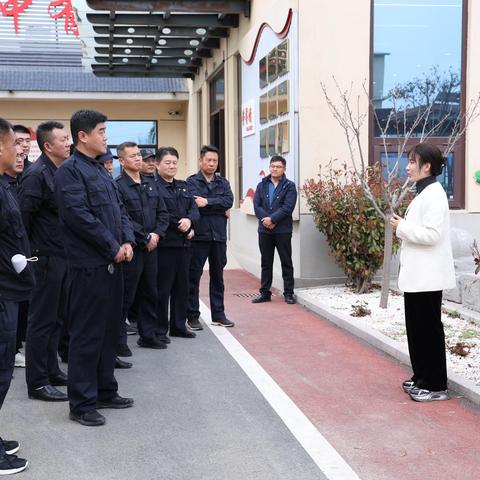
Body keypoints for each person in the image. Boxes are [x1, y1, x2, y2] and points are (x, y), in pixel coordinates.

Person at [55, 110, 135, 426]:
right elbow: (79, 217)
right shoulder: (70, 172)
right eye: (101, 131)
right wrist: (112, 246)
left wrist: (127, 241)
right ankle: (82, 403)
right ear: (83, 136)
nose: (106, 136)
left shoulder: (101, 171)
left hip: (113, 265)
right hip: (88, 267)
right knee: (86, 336)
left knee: (108, 333)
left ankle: (105, 390)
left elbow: (120, 212)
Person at [390, 143, 455, 402]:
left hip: (428, 277)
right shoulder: (424, 191)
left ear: (426, 166)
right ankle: (421, 377)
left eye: (411, 161)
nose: (407, 166)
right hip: (418, 275)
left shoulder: (434, 194)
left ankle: (436, 385)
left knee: (428, 330)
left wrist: (402, 226)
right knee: (417, 329)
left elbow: (433, 234)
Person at [18, 121, 71, 402]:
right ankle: (37, 382)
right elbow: (23, 220)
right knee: (40, 321)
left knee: (57, 319)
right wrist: (28, 259)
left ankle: (52, 370)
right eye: (64, 139)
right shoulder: (36, 175)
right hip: (43, 258)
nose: (69, 143)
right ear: (48, 146)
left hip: (61, 256)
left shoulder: (59, 172)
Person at [0, 118, 35, 475]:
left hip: (9, 289)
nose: (21, 151)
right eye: (15, 144)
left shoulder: (5, 185)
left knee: (4, 368)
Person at [116, 142, 168, 351]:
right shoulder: (118, 185)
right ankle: (118, 341)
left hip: (151, 248)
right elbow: (123, 218)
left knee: (150, 292)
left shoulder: (151, 183)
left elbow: (163, 213)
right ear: (122, 161)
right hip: (133, 249)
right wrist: (145, 237)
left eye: (139, 155)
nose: (138, 159)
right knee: (126, 295)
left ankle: (147, 335)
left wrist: (156, 234)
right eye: (133, 156)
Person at [186, 145, 234, 329]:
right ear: (201, 161)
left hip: (219, 237)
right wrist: (218, 206)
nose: (212, 164)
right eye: (209, 160)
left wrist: (207, 202)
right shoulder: (192, 182)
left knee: (218, 277)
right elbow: (192, 202)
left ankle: (219, 315)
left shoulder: (223, 183)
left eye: (215, 161)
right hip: (200, 236)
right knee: (193, 276)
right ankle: (192, 315)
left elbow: (228, 201)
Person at [155, 147, 199, 343]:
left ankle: (179, 326)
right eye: (167, 162)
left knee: (182, 287)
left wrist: (190, 221)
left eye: (175, 162)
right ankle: (160, 329)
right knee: (162, 289)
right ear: (158, 165)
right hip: (165, 246)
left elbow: (194, 208)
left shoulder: (183, 186)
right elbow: (161, 213)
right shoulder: (153, 187)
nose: (172, 166)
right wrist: (180, 224)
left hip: (184, 245)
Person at [252, 155, 297, 304]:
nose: (274, 169)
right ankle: (265, 292)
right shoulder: (262, 185)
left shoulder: (289, 186)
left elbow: (288, 207)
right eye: (272, 166)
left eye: (278, 166)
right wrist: (266, 220)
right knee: (266, 262)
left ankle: (289, 293)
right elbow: (256, 205)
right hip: (264, 230)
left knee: (286, 261)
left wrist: (273, 219)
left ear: (284, 169)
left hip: (282, 230)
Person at [3, 143, 28, 368]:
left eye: (23, 155)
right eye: (16, 153)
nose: (19, 158)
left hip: (18, 269)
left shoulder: (12, 186)